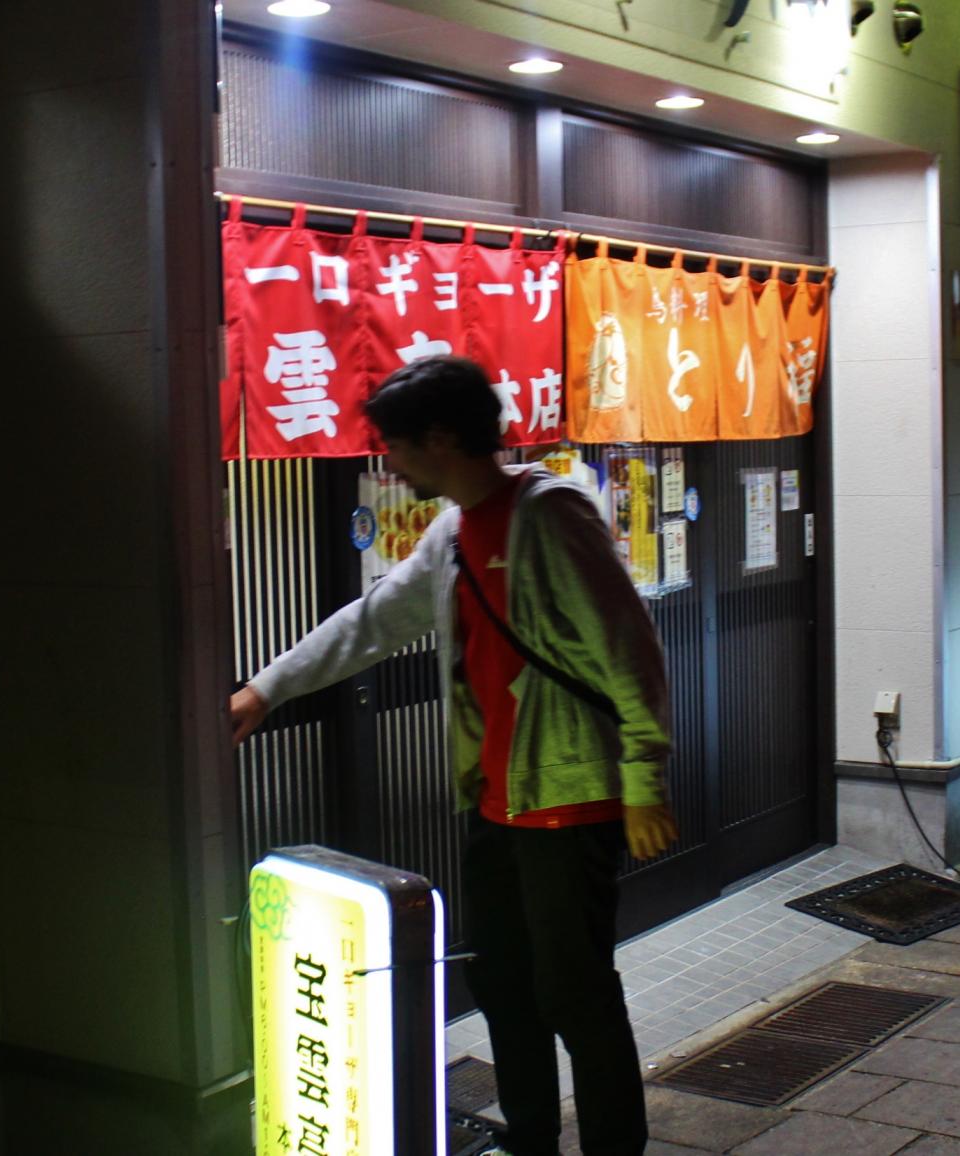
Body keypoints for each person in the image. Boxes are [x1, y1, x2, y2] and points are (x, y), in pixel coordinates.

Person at [230, 355, 677, 1156]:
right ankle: (531, 1136)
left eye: (394, 446)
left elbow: (631, 652)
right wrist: (266, 690)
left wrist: (642, 780)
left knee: (573, 994)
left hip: (570, 796)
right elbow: (371, 621)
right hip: (495, 798)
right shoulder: (451, 532)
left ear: (439, 438)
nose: (389, 465)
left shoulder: (550, 513)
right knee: (502, 983)